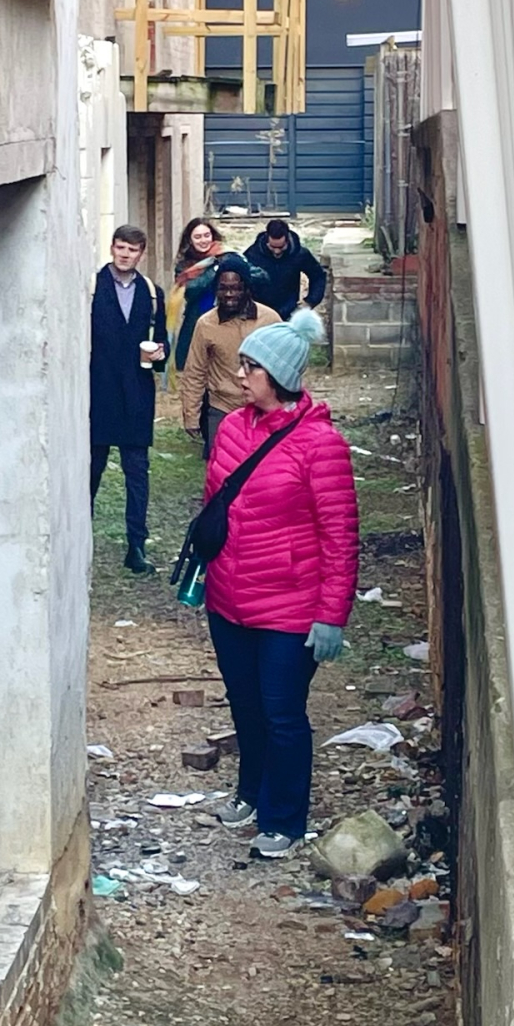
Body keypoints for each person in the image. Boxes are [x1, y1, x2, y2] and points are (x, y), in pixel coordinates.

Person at [202, 309, 358, 858]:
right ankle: (250, 791)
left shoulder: (321, 446)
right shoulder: (230, 428)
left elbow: (340, 537)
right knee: (245, 704)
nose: (240, 376)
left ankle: (284, 819)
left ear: (280, 377)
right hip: (228, 599)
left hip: (291, 609)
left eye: (251, 368)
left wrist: (331, 615)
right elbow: (213, 508)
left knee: (282, 712)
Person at [90, 225, 168, 573]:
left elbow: (162, 347)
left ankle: (136, 545)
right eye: (120, 247)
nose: (124, 254)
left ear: (141, 253)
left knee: (137, 474)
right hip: (98, 394)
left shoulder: (153, 294)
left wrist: (159, 356)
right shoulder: (91, 288)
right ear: (111, 248)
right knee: (89, 471)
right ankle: (80, 540)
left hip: (136, 394)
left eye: (132, 249)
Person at [179, 256, 280, 456]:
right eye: (223, 288)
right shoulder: (206, 324)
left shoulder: (270, 320)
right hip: (222, 409)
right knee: (221, 473)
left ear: (247, 288)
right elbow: (195, 372)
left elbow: (286, 367)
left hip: (263, 410)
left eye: (235, 288)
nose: (229, 294)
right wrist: (191, 415)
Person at [169, 217, 225, 373]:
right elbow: (190, 290)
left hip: (224, 321)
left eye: (206, 235)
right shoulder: (184, 267)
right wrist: (213, 271)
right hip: (196, 321)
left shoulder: (226, 257)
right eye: (198, 237)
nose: (203, 240)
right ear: (190, 240)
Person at [245, 218, 328, 320]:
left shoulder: (299, 254)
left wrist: (310, 302)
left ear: (287, 240)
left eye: (281, 247)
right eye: (272, 247)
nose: (276, 251)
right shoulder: (253, 254)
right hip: (260, 312)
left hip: (289, 312)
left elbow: (318, 276)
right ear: (267, 239)